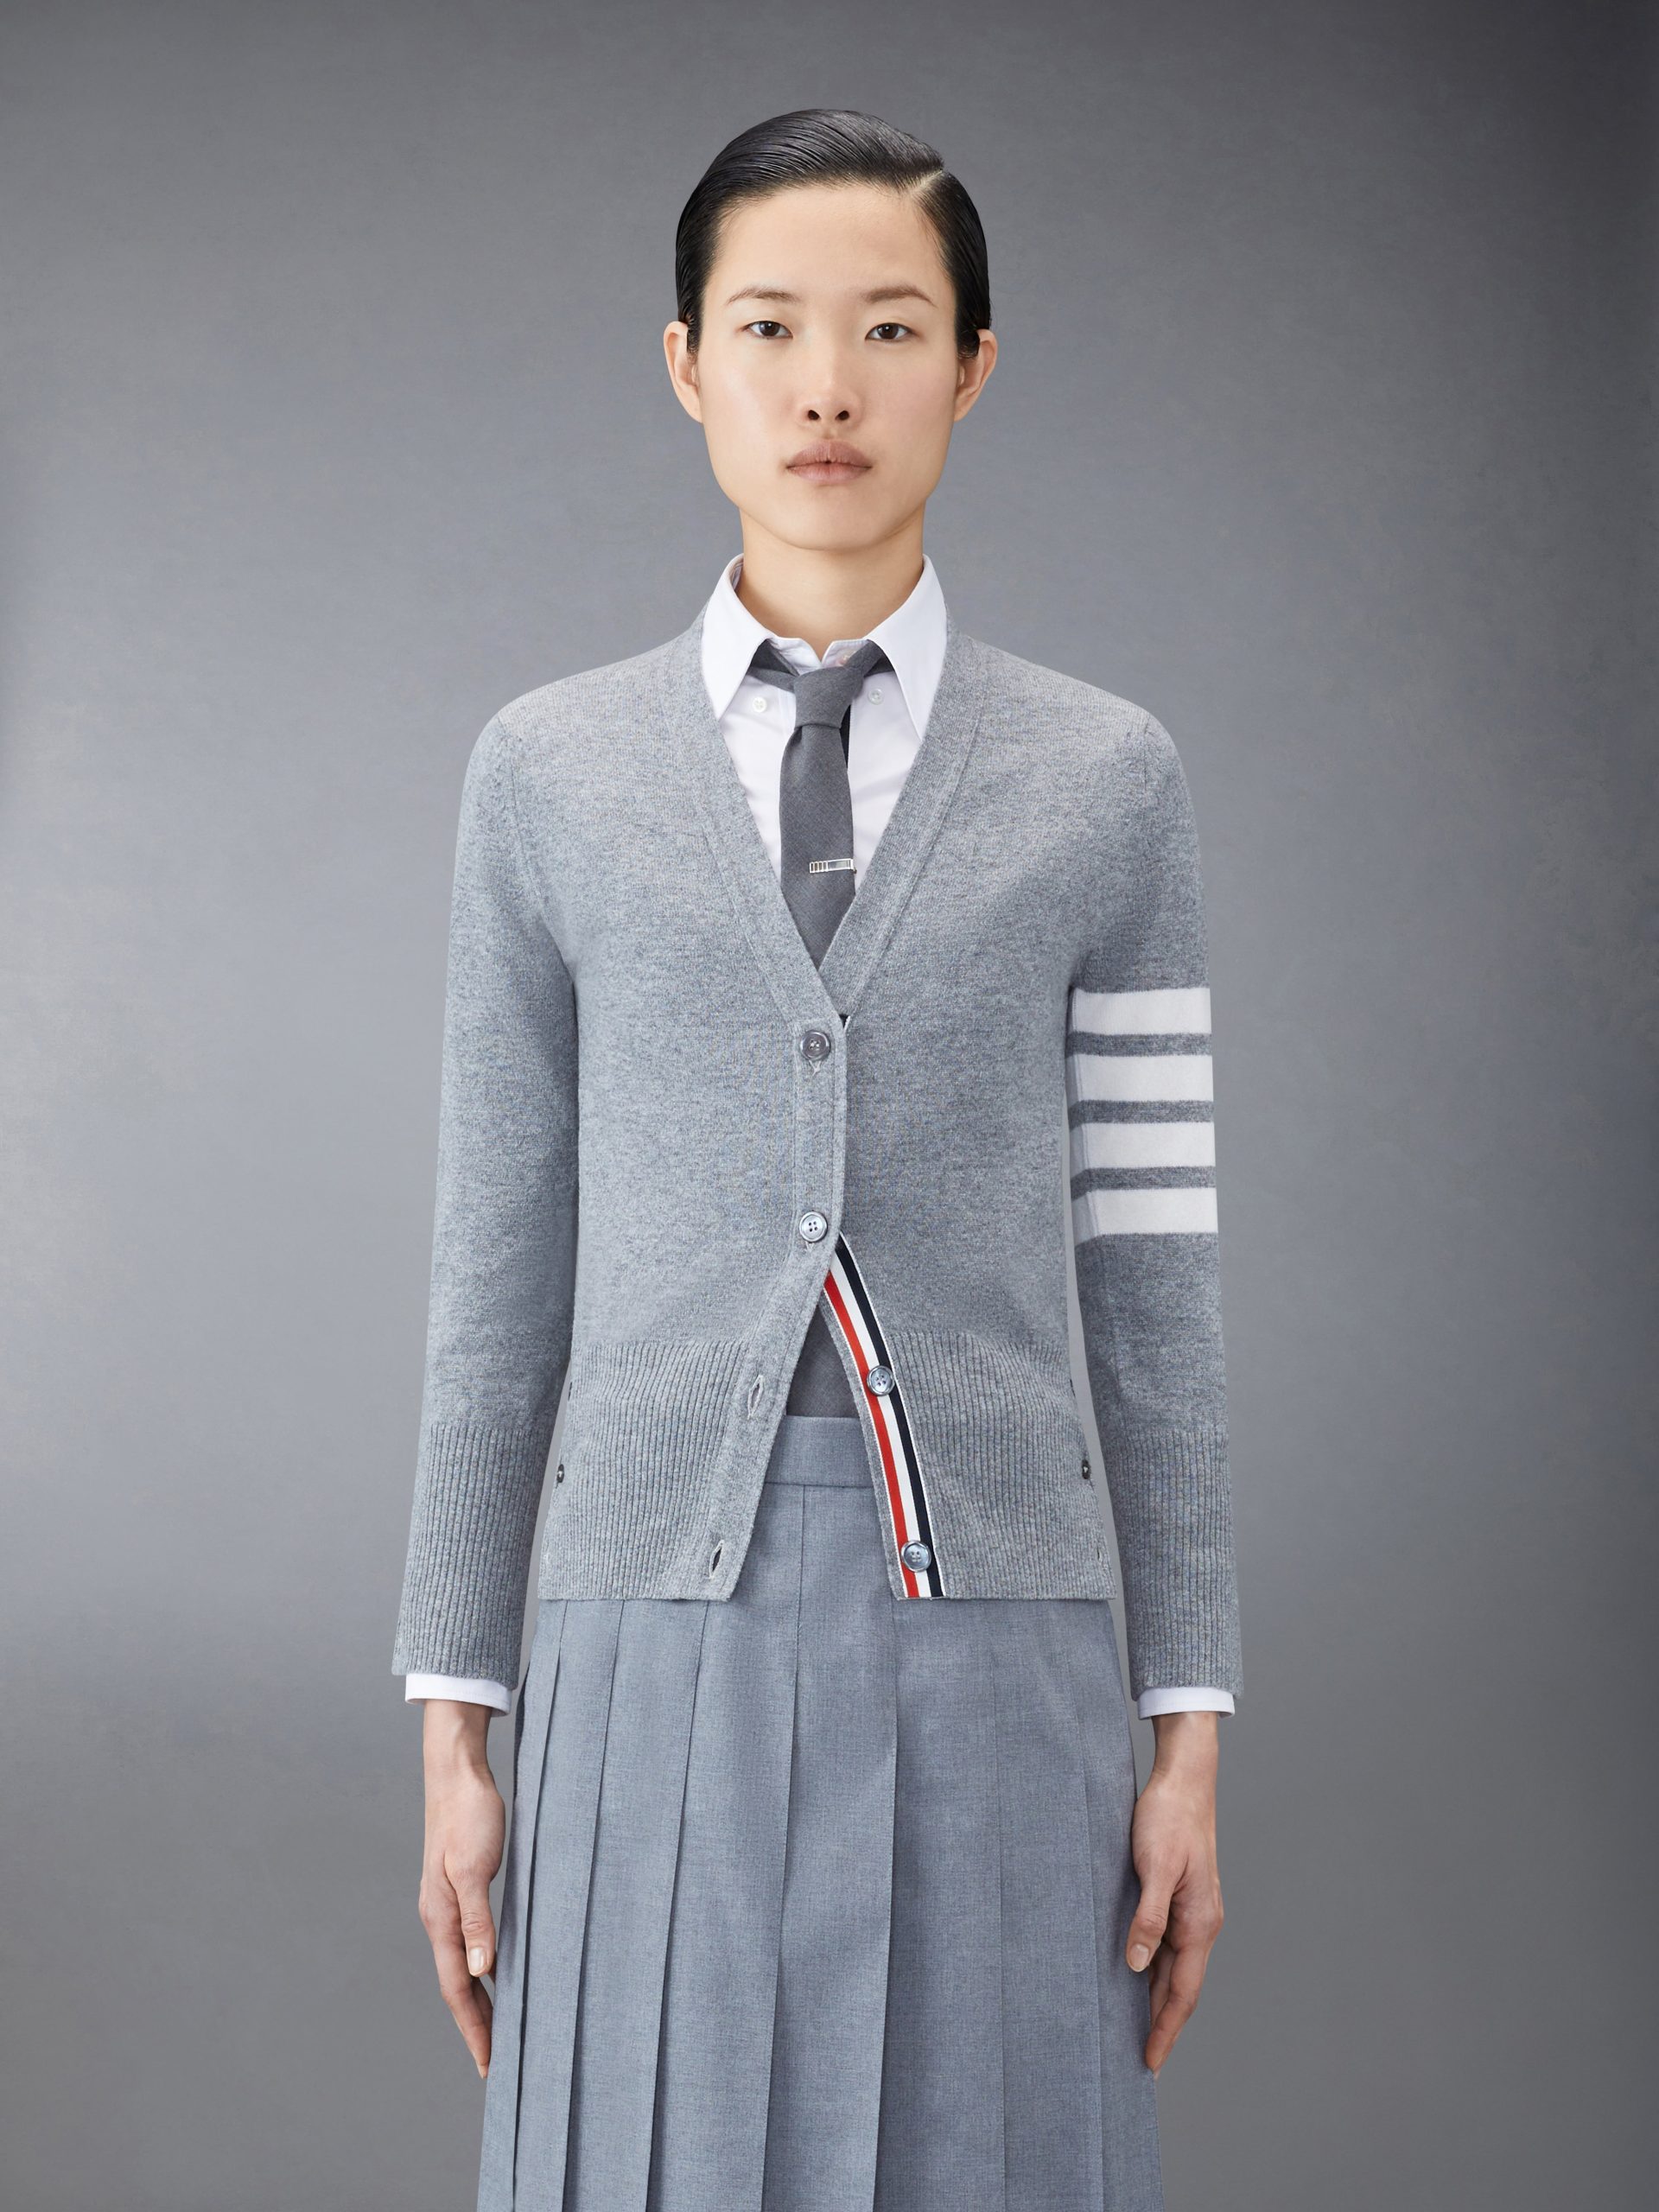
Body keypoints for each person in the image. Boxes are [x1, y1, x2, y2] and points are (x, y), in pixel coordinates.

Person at [392, 106, 1241, 2212]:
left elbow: (1154, 1280)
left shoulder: (1109, 779)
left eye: (890, 325)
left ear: (972, 363)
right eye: (770, 326)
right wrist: (456, 1717)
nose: (829, 385)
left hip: (1005, 1626)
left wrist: (1188, 1723)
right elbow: (497, 1269)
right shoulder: (546, 773)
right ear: (689, 364)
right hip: (639, 1617)